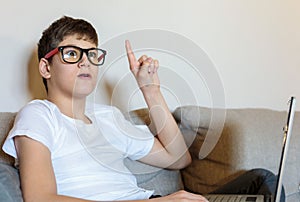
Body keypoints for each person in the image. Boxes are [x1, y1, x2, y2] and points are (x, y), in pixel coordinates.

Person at [2, 16, 283, 202]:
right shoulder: (39, 115)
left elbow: (178, 159)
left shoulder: (108, 118)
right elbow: (40, 197)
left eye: (92, 54)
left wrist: (150, 90)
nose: (85, 62)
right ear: (46, 67)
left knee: (261, 182)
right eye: (72, 54)